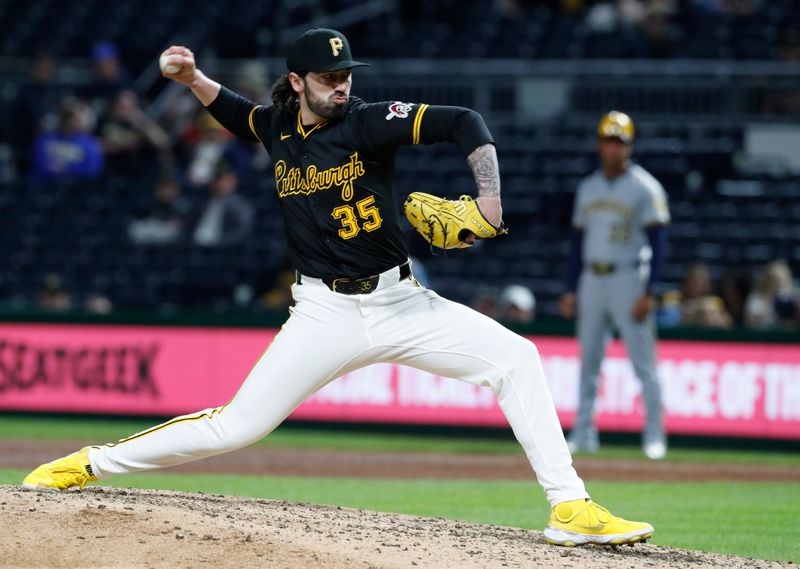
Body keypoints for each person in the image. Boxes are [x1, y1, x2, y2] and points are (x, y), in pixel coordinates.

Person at [23, 28, 653, 547]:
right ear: (297, 83)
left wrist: (488, 200)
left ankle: (570, 507)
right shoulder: (277, 128)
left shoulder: (368, 122)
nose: (342, 84)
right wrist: (191, 79)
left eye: (346, 73)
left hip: (402, 301)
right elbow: (237, 114)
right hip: (323, 312)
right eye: (328, 77)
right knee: (236, 427)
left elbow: (465, 122)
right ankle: (88, 464)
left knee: (518, 357)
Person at [559, 111, 670, 460]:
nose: (613, 148)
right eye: (609, 140)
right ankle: (584, 433)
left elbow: (661, 242)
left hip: (628, 276)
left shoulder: (646, 187)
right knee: (588, 360)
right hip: (592, 277)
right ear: (599, 144)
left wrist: (650, 290)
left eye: (620, 142)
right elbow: (577, 243)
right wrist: (570, 288)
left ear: (629, 146)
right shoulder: (588, 187)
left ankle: (654, 435)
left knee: (643, 362)